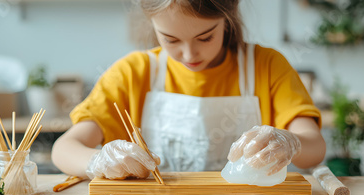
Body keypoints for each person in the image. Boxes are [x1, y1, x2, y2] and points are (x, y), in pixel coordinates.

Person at [52, 0, 326, 180]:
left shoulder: (266, 66)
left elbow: (314, 146)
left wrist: (291, 142)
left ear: (227, 18)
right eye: (170, 39)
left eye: (205, 37)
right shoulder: (132, 73)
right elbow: (64, 148)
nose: (189, 53)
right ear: (152, 25)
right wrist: (98, 161)